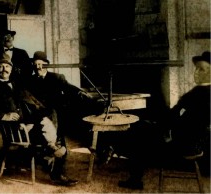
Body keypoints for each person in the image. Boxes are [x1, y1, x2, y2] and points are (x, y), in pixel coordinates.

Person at [117, 51, 211, 190]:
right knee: (142, 127)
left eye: (201, 69)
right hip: (184, 139)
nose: (195, 72)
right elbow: (176, 114)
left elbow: (191, 124)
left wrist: (166, 131)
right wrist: (162, 122)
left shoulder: (204, 96)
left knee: (138, 134)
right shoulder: (197, 92)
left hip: (185, 145)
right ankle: (130, 169)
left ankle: (135, 179)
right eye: (196, 68)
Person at [0, 54, 79, 186]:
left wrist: (40, 114)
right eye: (1, 66)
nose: (4, 69)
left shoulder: (17, 84)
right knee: (52, 134)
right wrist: (4, 115)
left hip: (27, 125)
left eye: (7, 66)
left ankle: (52, 150)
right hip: (13, 129)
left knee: (49, 118)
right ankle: (52, 153)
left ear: (11, 69)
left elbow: (30, 101)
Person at [26, 51, 102, 143]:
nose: (38, 67)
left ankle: (58, 142)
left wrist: (80, 93)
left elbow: (68, 87)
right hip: (38, 111)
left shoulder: (57, 77)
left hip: (55, 111)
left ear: (47, 65)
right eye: (36, 64)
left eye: (41, 64)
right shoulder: (30, 81)